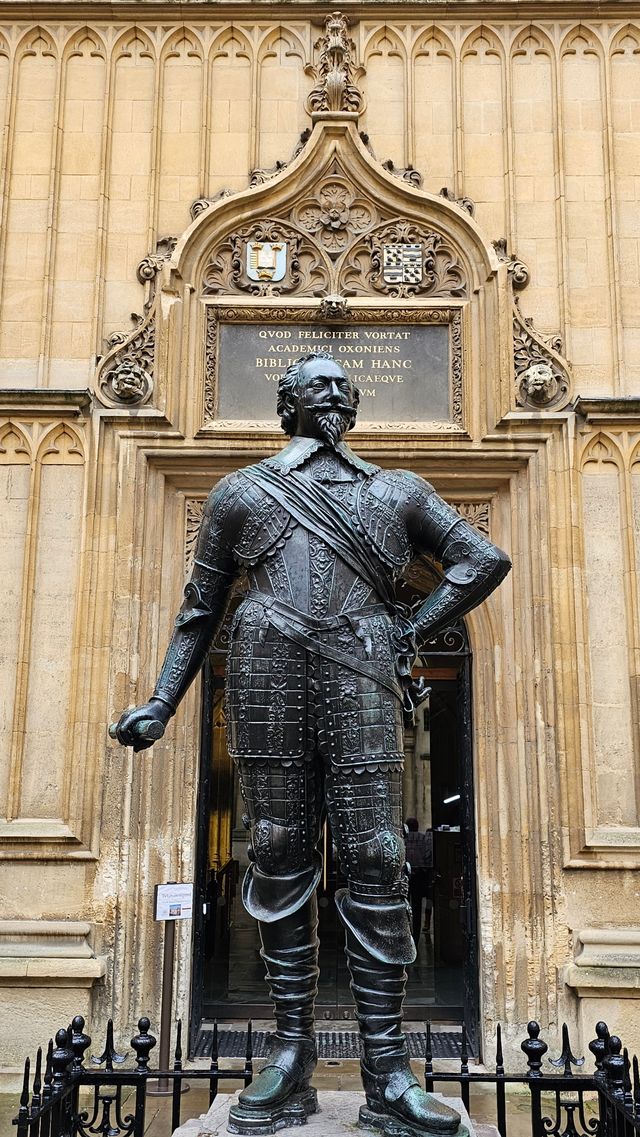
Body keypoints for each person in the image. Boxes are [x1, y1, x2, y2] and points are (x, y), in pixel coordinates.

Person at [113, 350, 510, 1136]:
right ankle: (290, 1052)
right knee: (276, 841)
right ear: (285, 405)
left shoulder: (397, 490)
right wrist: (161, 701)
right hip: (264, 665)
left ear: (356, 404)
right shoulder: (241, 493)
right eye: (313, 386)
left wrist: (409, 626)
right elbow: (199, 610)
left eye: (341, 386)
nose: (331, 396)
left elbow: (481, 557)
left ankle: (388, 1070)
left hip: (359, 664)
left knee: (375, 850)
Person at [405, 819, 434, 944]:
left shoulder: (403, 840)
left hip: (405, 877)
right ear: (417, 827)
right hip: (419, 877)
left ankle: (405, 936)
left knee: (403, 907)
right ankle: (415, 938)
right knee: (416, 909)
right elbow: (429, 857)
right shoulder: (423, 839)